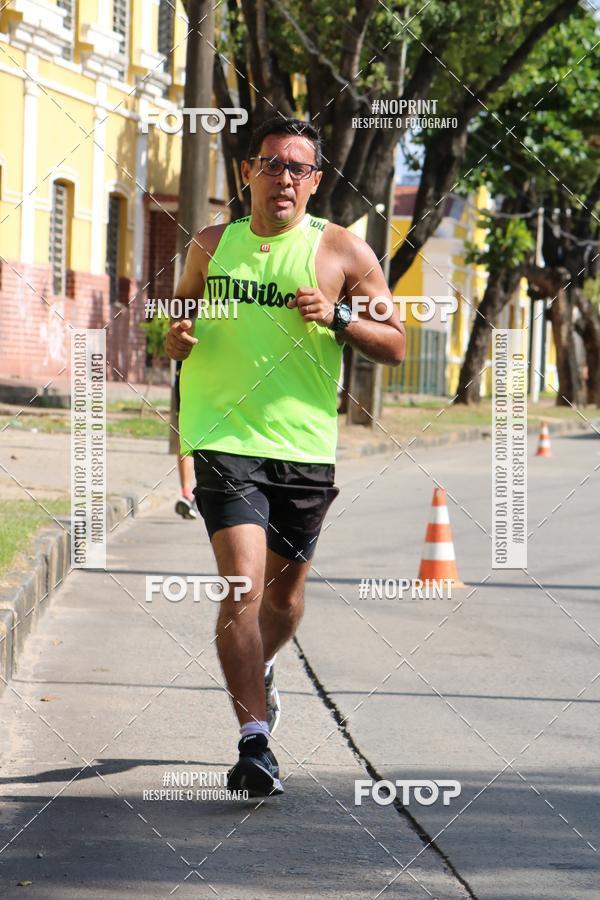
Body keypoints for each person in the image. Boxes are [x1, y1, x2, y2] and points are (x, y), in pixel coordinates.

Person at [165, 117, 405, 797]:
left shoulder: (343, 250)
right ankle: (254, 741)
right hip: (223, 437)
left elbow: (395, 342)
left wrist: (337, 317)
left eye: (297, 168)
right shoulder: (211, 245)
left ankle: (260, 667)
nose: (283, 178)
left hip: (303, 448)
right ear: (249, 172)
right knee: (242, 586)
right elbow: (176, 318)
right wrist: (174, 338)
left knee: (285, 598)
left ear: (315, 180)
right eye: (271, 164)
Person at [173, 360, 197, 520]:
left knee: (186, 435)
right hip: (187, 374)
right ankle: (187, 495)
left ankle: (189, 494)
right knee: (186, 435)